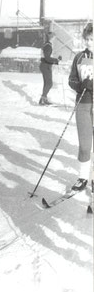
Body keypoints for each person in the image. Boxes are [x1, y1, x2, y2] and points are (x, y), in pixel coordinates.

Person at [68, 22, 93, 191]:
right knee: (84, 145)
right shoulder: (78, 57)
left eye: (92, 39)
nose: (89, 43)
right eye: (87, 39)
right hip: (83, 105)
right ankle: (83, 178)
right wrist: (80, 85)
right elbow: (71, 79)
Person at [39, 31, 61, 105]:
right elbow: (47, 58)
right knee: (49, 83)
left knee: (46, 83)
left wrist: (55, 60)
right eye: (54, 37)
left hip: (44, 65)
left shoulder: (46, 44)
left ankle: (43, 99)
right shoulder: (48, 46)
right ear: (52, 38)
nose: (55, 39)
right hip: (45, 66)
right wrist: (56, 60)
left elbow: (46, 57)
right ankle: (43, 99)